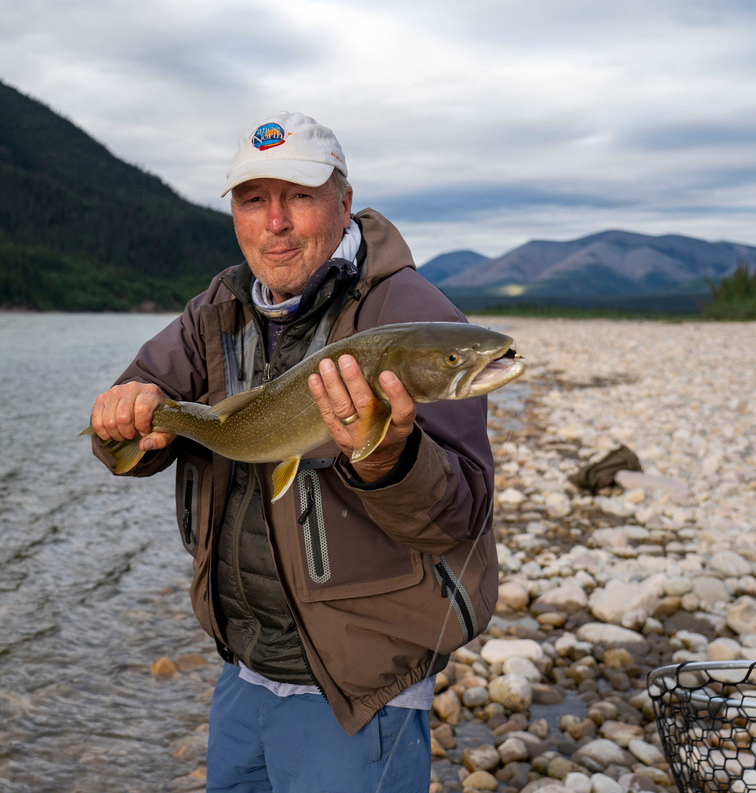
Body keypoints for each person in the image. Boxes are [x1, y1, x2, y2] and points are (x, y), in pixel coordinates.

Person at [88, 111, 498, 792]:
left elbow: (459, 517)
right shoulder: (215, 310)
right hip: (244, 666)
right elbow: (132, 431)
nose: (275, 222)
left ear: (344, 201)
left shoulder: (412, 317)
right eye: (254, 200)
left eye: (299, 197)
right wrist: (121, 422)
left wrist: (387, 458)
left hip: (358, 688)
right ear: (234, 215)